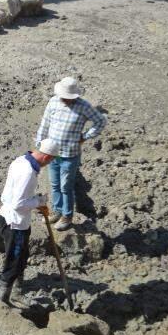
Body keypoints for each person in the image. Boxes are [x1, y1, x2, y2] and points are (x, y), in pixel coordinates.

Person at [36, 77, 107, 231]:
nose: (65, 100)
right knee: (54, 185)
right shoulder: (53, 102)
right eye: (64, 97)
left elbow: (101, 121)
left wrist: (86, 136)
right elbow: (45, 122)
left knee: (65, 187)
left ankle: (67, 216)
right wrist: (40, 143)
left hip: (70, 155)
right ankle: (57, 210)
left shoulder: (84, 106)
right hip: (52, 154)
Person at [0, 139, 60, 304]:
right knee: (14, 263)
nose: (50, 163)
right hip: (15, 223)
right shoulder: (28, 173)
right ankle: (2, 298)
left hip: (14, 220)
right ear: (46, 157)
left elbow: (18, 196)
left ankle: (16, 289)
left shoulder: (21, 160)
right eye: (51, 160)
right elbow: (18, 204)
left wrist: (35, 200)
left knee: (22, 256)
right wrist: (39, 202)